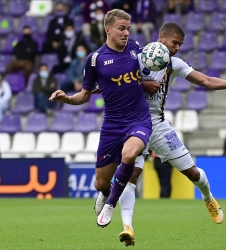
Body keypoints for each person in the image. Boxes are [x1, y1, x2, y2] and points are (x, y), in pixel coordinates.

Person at [92, 22, 226, 246]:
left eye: (180, 44)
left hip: (158, 127)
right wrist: (140, 83)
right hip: (132, 125)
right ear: (161, 37)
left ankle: (208, 197)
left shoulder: (173, 64)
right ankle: (127, 228)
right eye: (174, 43)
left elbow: (205, 80)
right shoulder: (135, 57)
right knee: (131, 176)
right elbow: (113, 82)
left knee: (193, 173)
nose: (177, 47)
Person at [49, 9, 152, 228]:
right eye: (121, 28)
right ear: (108, 29)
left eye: (128, 28)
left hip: (139, 119)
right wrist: (66, 99)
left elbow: (146, 72)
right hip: (113, 125)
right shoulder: (95, 60)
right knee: (100, 183)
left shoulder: (135, 49)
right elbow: (84, 96)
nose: (126, 32)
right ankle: (106, 193)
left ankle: (111, 204)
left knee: (130, 153)